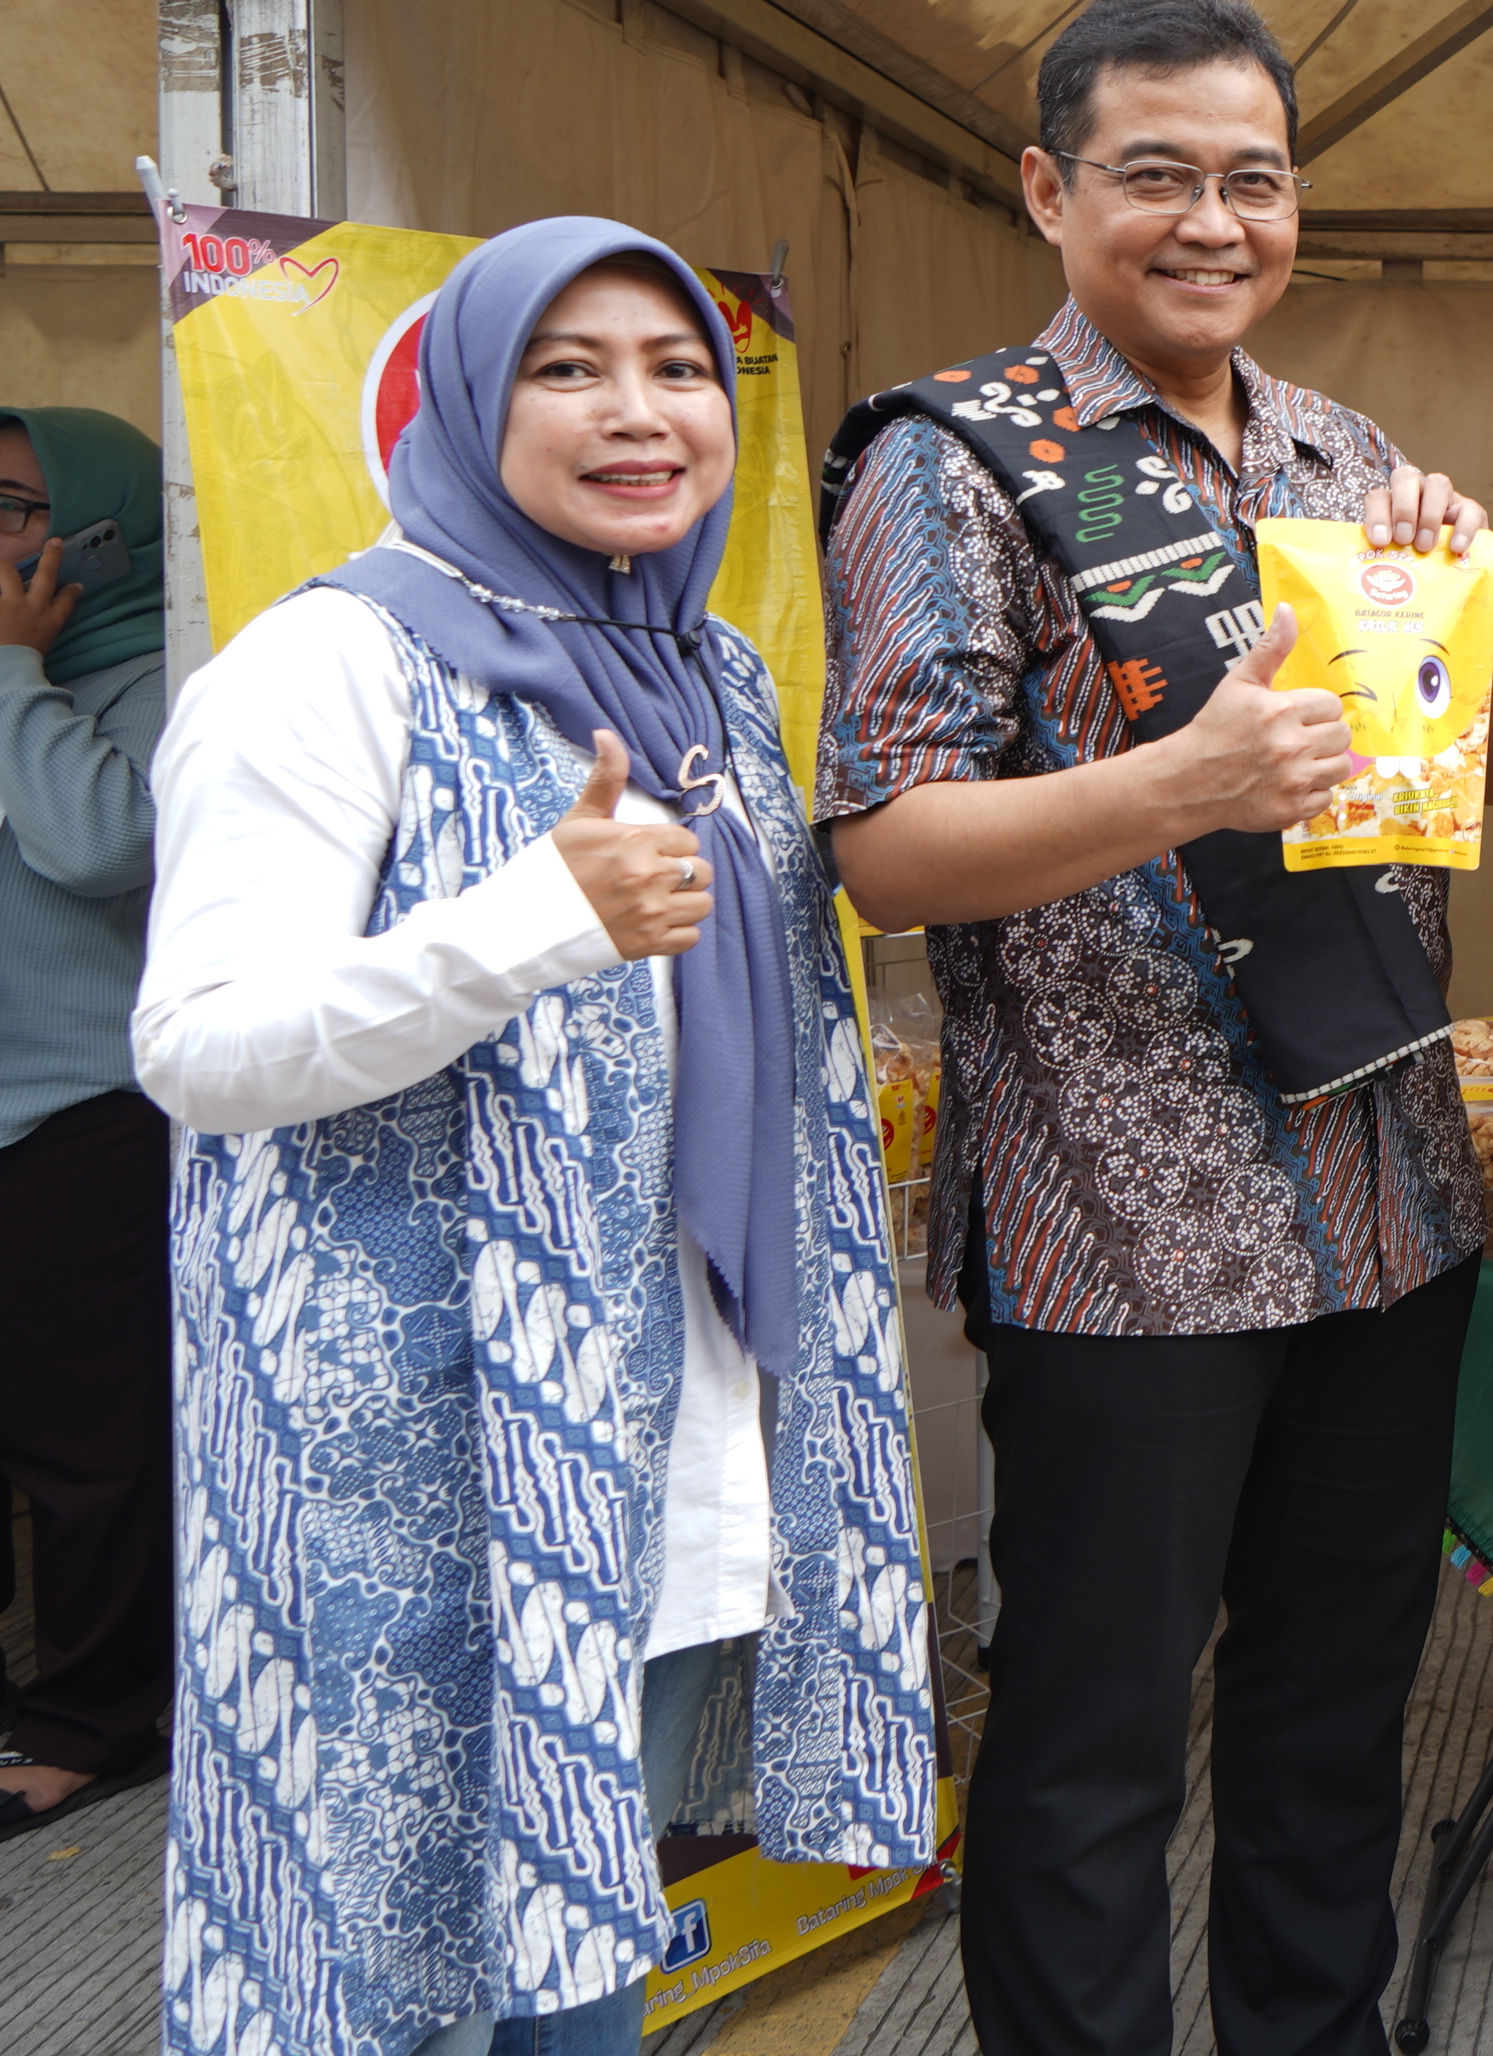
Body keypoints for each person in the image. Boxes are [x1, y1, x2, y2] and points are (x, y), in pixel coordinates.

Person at [821, 0, 1493, 2056]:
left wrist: (1472, 600)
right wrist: (1178, 786)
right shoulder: (950, 460)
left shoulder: (1350, 455)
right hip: (1121, 1235)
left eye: (1253, 175)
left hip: (1386, 1202)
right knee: (1092, 1758)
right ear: (1051, 191)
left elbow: (1463, 781)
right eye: (1157, 175)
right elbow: (884, 843)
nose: (1212, 218)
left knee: (1333, 1734)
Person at [132, 220, 937, 2055]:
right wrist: (527, 920)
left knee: (574, 1963)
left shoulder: (709, 671)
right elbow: (197, 1043)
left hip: (631, 1437)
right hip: (408, 1456)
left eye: (676, 368)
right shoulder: (328, 662)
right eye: (568, 368)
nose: (638, 411)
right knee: (385, 1968)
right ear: (465, 394)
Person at [0, 408, 172, 1840]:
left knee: (89, 1442)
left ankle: (96, 1714)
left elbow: (106, 844)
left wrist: (10, 671)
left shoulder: (165, 674)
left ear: (103, 529)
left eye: (11, 505)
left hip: (85, 1109)